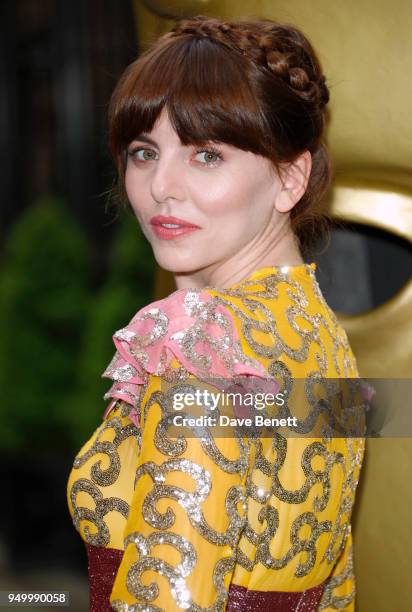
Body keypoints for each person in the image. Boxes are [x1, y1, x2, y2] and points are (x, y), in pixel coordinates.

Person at [66, 15, 365, 611]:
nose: (161, 187)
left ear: (290, 177)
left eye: (206, 154)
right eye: (144, 151)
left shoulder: (199, 341)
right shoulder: (321, 333)